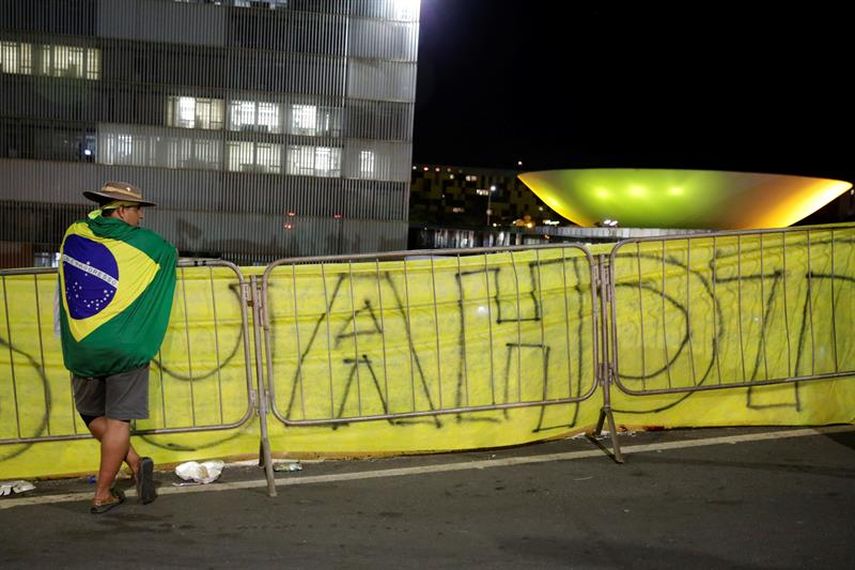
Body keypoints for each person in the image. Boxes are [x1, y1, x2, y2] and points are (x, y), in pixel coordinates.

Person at [58, 181, 177, 514]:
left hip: (84, 340)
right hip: (124, 345)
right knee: (118, 421)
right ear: (122, 210)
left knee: (90, 413)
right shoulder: (149, 246)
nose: (141, 217)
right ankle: (102, 493)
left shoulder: (75, 232)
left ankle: (136, 463)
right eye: (138, 210)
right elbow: (169, 253)